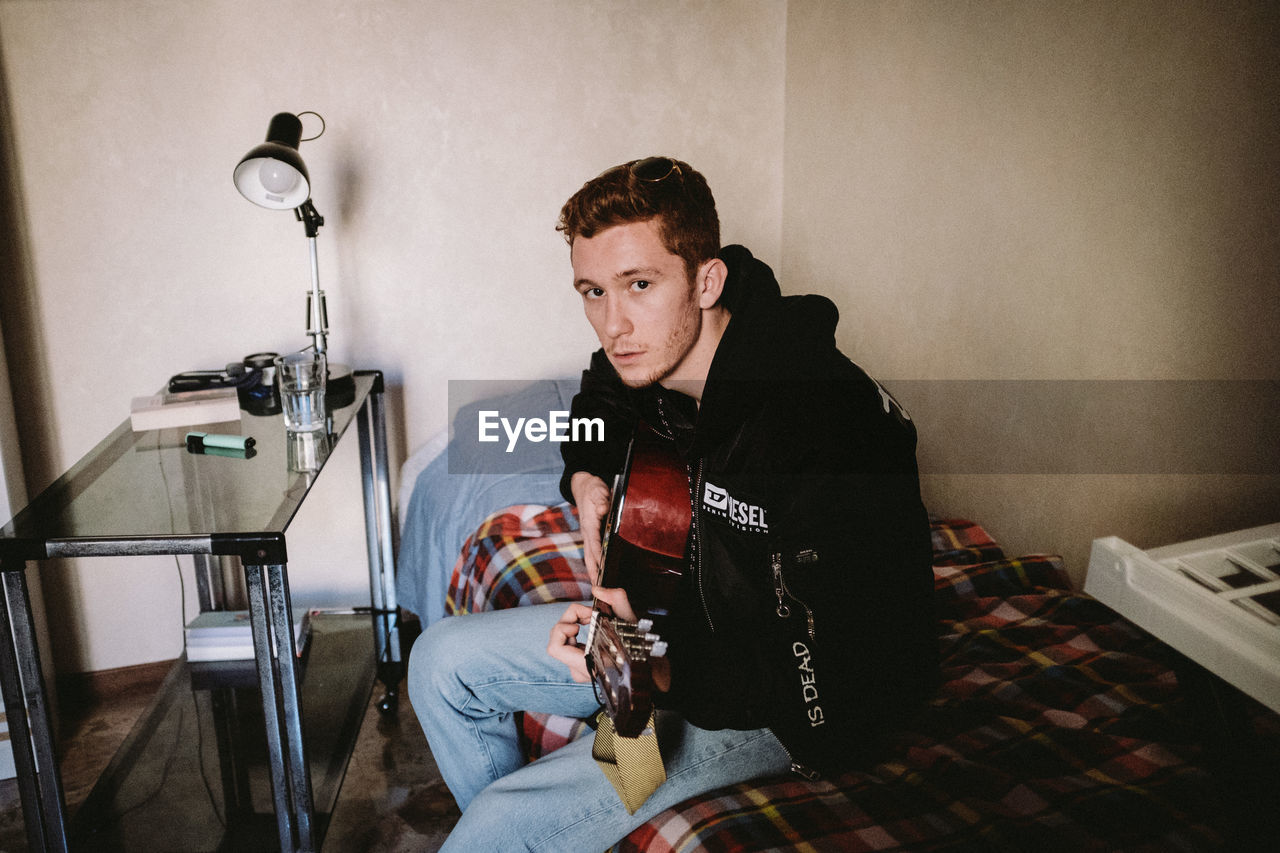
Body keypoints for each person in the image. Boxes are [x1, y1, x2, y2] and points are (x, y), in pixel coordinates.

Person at [409, 156, 937, 851]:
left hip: (778, 701)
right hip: (675, 628)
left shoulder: (821, 425)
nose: (613, 323)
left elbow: (831, 681)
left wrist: (660, 671)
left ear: (706, 280)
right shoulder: (654, 352)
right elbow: (599, 388)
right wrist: (587, 476)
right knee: (439, 661)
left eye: (639, 285)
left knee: (499, 824)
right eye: (593, 291)